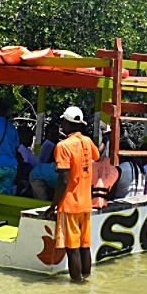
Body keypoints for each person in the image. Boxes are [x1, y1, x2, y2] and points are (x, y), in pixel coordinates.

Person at [44, 106, 100, 282]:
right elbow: (97, 156)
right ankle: (86, 280)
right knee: (85, 246)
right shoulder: (87, 141)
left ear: (66, 123)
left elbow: (63, 180)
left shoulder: (63, 146)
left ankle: (77, 284)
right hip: (85, 203)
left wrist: (53, 206)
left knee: (72, 248)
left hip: (70, 204)